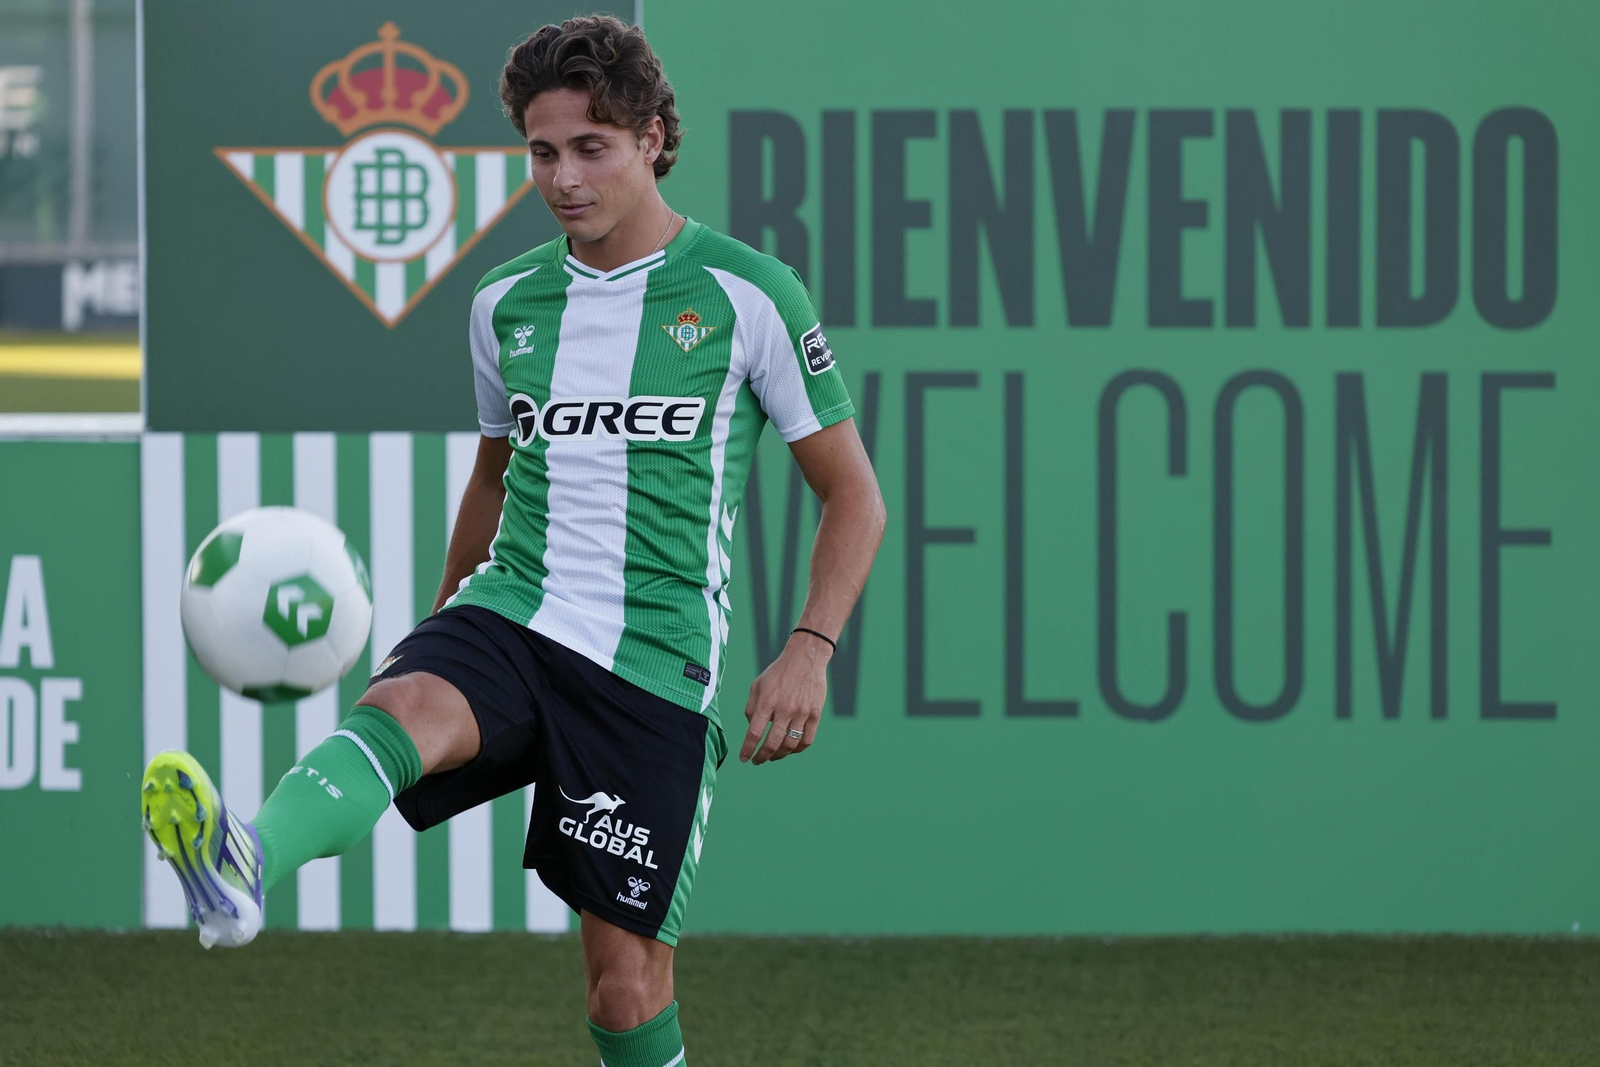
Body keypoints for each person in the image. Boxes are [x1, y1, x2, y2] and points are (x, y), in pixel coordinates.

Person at [139, 14, 885, 1067]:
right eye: (542, 151)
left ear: (655, 139)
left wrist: (809, 644)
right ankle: (244, 861)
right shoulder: (506, 305)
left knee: (624, 994)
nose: (564, 178)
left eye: (592, 147)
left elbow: (853, 495)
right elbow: (497, 472)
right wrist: (442, 619)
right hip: (516, 609)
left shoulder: (747, 294)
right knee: (398, 706)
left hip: (651, 659)